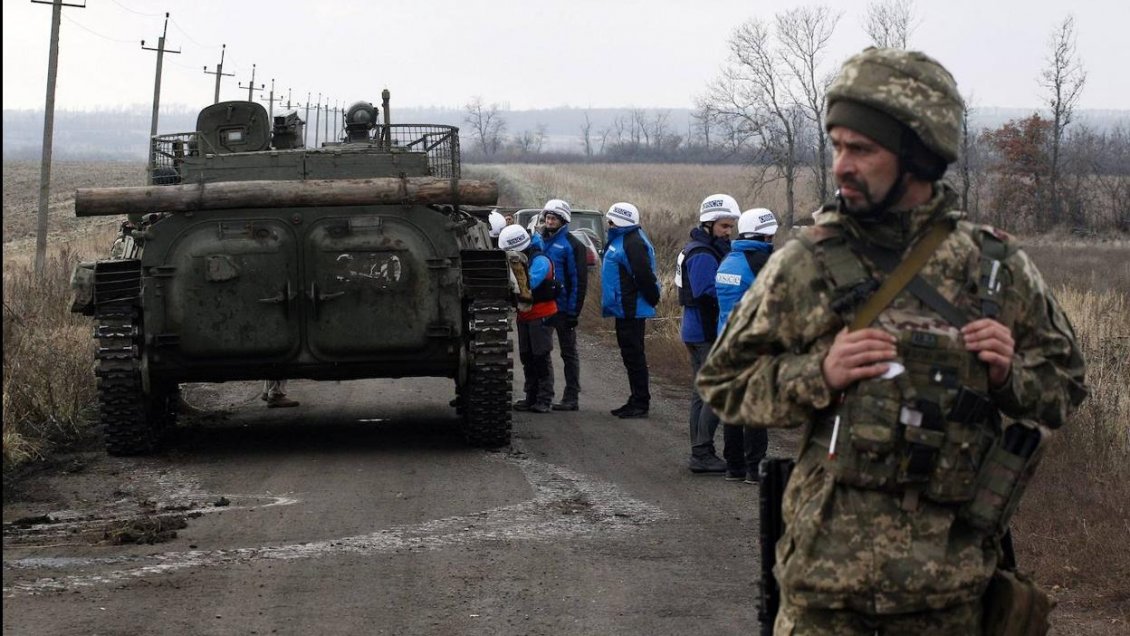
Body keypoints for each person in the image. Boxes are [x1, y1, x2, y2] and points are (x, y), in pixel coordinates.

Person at [698, 47, 1087, 634]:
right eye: (836, 146)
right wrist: (819, 374)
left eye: (862, 149)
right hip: (824, 596)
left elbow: (1065, 385)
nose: (841, 165)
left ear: (919, 156)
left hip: (952, 597)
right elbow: (722, 384)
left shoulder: (992, 267)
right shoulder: (806, 265)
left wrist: (1010, 375)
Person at [714, 207, 778, 483]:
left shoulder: (730, 259)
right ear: (766, 235)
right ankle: (755, 468)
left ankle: (734, 467)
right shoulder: (761, 262)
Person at [677, 194, 740, 473]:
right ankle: (702, 453)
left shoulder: (706, 248)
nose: (729, 232)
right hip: (703, 330)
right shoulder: (702, 253)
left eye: (731, 227)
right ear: (709, 224)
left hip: (696, 329)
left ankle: (701, 451)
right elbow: (706, 292)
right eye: (725, 226)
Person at [601, 202, 660, 419]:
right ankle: (635, 399)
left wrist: (653, 299)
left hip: (631, 309)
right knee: (629, 356)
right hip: (623, 308)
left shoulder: (633, 242)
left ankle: (640, 402)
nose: (608, 223)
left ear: (620, 221)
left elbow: (644, 276)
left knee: (634, 356)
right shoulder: (622, 238)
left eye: (611, 220)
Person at [499, 224, 558, 414]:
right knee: (527, 356)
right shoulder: (525, 259)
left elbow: (526, 287)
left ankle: (545, 398)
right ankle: (531, 396)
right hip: (525, 315)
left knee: (540, 356)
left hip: (541, 314)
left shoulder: (540, 261)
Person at [539, 199, 589, 411]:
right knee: (541, 351)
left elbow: (578, 280)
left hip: (563, 309)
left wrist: (573, 312)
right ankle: (542, 395)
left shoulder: (573, 245)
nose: (549, 221)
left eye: (554, 218)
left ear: (563, 220)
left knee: (568, 353)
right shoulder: (539, 241)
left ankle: (571, 397)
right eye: (548, 218)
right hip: (543, 305)